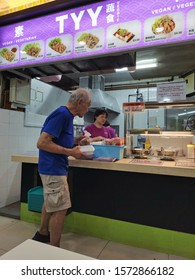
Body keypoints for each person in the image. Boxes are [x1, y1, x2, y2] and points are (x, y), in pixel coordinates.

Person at [32, 88, 91, 247]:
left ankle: (43, 233)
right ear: (79, 102)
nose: (88, 109)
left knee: (51, 202)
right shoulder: (62, 114)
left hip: (53, 168)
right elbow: (42, 143)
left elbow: (58, 141)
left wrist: (77, 141)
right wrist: (70, 152)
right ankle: (54, 249)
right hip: (53, 169)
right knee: (60, 209)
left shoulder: (67, 116)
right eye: (87, 105)